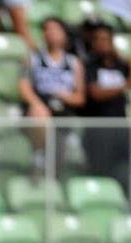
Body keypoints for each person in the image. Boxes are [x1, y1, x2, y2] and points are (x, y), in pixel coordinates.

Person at [18, 17, 83, 179]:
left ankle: (49, 172)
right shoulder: (33, 59)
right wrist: (36, 103)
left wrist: (64, 95)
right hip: (41, 109)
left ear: (64, 34)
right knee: (39, 116)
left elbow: (80, 97)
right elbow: (23, 85)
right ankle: (40, 157)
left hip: (63, 113)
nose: (51, 33)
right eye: (47, 29)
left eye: (56, 29)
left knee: (58, 146)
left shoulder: (73, 63)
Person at [82, 22, 131, 192]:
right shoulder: (89, 65)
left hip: (121, 129)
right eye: (98, 39)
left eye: (106, 39)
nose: (102, 43)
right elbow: (95, 93)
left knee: (124, 170)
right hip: (98, 130)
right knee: (101, 171)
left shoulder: (121, 66)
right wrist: (125, 86)